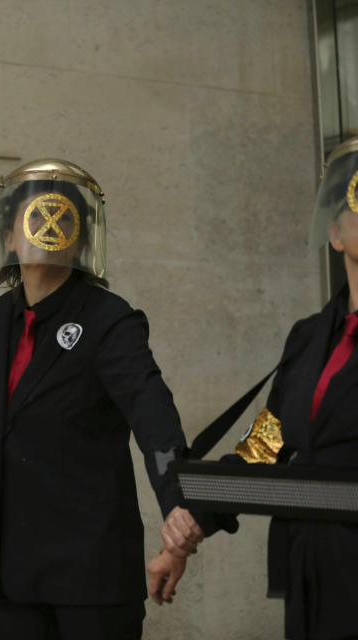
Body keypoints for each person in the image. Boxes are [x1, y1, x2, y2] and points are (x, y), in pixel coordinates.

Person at [0, 159, 202, 640]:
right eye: (34, 215)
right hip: (10, 570)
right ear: (9, 234)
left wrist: (177, 504)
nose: (48, 227)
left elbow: (153, 416)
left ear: (82, 241)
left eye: (64, 218)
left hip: (92, 572)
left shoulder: (111, 321)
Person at [148, 136, 358, 639]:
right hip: (311, 568)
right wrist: (183, 534)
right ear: (334, 232)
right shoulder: (310, 338)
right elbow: (263, 448)